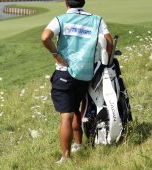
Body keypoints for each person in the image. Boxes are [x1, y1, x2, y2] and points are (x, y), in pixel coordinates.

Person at [41, 0, 113, 163]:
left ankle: (66, 156)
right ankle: (79, 144)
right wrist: (104, 62)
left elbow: (45, 37)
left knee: (66, 115)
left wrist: (56, 55)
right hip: (85, 75)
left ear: (67, 2)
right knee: (75, 109)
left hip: (64, 74)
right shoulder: (97, 19)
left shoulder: (60, 19)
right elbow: (109, 43)